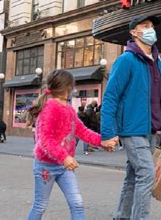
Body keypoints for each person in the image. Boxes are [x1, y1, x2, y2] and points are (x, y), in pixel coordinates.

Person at [101, 15, 161, 220]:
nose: (151, 30)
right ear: (134, 32)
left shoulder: (158, 62)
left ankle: (121, 216)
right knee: (147, 174)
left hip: (151, 129)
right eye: (145, 26)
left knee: (134, 177)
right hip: (131, 129)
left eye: (152, 26)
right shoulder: (126, 60)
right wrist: (108, 133)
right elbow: (111, 97)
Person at [26, 69, 117, 219]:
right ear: (67, 87)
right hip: (46, 166)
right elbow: (45, 140)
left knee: (77, 203)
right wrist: (65, 157)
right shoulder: (49, 108)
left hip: (64, 167)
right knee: (40, 205)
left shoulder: (68, 109)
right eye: (72, 86)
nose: (73, 89)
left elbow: (82, 131)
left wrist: (103, 141)